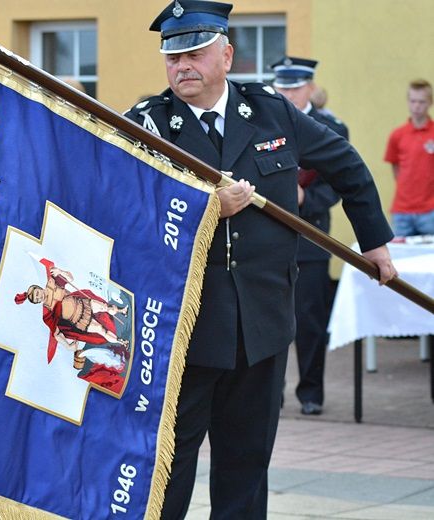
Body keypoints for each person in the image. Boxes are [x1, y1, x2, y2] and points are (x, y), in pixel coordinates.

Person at [125, 2, 396, 518]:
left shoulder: (270, 111)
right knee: (167, 467)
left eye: (195, 54)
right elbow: (120, 209)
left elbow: (348, 166)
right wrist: (205, 209)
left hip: (262, 326)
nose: (182, 66)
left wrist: (374, 244)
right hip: (186, 330)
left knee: (247, 466)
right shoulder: (148, 126)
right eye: (172, 57)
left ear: (226, 55)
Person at [272, 56, 349, 416]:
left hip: (312, 235)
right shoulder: (262, 120)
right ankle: (272, 392)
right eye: (282, 86)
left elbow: (341, 180)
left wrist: (307, 200)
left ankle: (311, 393)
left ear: (311, 88)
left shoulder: (330, 126)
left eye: (294, 86)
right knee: (269, 320)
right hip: (268, 236)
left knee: (310, 321)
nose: (287, 93)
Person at [384, 79, 434, 236]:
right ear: (408, 102)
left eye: (421, 101)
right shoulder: (397, 135)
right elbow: (395, 167)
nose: (416, 106)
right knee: (401, 259)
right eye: (413, 101)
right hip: (402, 211)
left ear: (430, 103)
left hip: (430, 210)